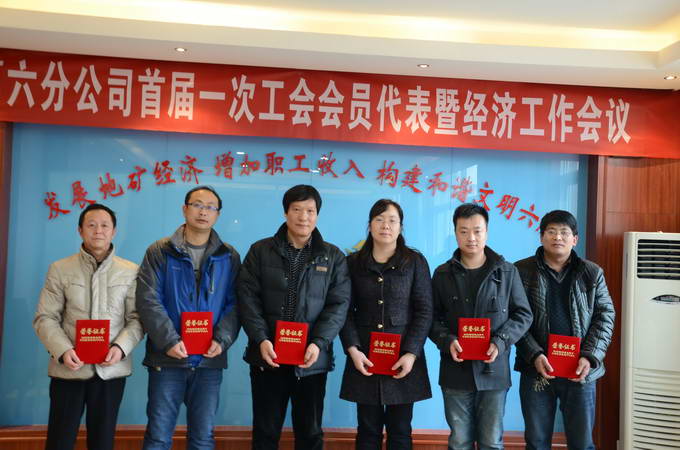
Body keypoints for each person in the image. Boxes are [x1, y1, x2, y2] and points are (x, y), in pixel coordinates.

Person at [238, 184, 351, 450]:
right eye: (297, 209)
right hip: (268, 356)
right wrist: (261, 339)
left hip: (311, 359)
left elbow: (338, 305)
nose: (303, 217)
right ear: (286, 212)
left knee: (310, 434)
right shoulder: (260, 251)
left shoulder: (332, 256)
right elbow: (247, 298)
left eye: (310, 211)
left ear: (317, 215)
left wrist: (318, 343)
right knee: (265, 433)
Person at [136, 185, 240, 450]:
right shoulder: (159, 251)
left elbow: (236, 304)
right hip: (167, 359)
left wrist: (222, 340)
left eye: (210, 207)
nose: (203, 212)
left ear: (217, 214)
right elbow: (148, 300)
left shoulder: (228, 256)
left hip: (209, 360)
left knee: (203, 438)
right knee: (158, 437)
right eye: (197, 205)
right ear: (184, 209)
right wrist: (169, 341)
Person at [33, 203, 143, 450]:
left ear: (114, 231)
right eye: (91, 225)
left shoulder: (130, 271)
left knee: (102, 442)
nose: (98, 231)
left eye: (105, 225)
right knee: (60, 440)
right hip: (69, 368)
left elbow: (136, 319)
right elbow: (45, 317)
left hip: (110, 370)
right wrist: (63, 351)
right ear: (80, 230)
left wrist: (120, 348)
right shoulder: (60, 269)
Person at [429, 203, 532, 450]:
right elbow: (430, 318)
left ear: (487, 232)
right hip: (455, 371)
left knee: (492, 442)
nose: (471, 238)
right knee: (459, 441)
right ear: (455, 233)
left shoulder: (507, 272)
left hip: (494, 372)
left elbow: (523, 315)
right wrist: (447, 340)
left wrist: (501, 341)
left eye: (477, 231)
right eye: (464, 231)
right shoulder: (442, 274)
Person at [514, 210, 615, 450]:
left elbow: (605, 317)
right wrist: (534, 354)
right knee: (536, 443)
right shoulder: (521, 271)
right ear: (541, 237)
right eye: (551, 231)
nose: (557, 237)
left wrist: (589, 357)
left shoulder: (592, 272)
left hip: (580, 370)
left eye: (564, 232)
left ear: (574, 239)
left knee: (582, 443)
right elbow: (514, 318)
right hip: (537, 368)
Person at [339, 199, 433, 450]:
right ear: (369, 225)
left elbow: (425, 310)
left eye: (392, 220)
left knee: (400, 431)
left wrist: (411, 353)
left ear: (401, 226)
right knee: (367, 431)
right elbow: (344, 311)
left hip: (403, 359)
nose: (386, 226)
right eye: (379, 219)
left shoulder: (414, 261)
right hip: (364, 357)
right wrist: (353, 350)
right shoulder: (353, 263)